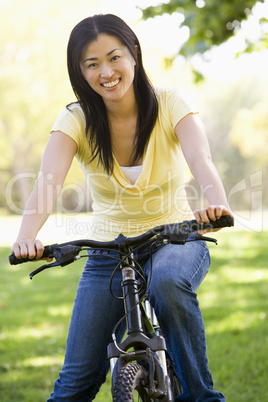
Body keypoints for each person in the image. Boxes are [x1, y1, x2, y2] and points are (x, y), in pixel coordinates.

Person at [11, 14, 233, 401]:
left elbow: (201, 160)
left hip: (174, 237)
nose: (106, 72)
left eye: (114, 57)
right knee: (74, 383)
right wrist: (26, 237)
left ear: (134, 54)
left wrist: (218, 205)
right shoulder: (76, 119)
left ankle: (201, 396)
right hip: (108, 250)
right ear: (80, 72)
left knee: (168, 283)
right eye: (91, 64)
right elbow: (49, 182)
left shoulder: (170, 103)